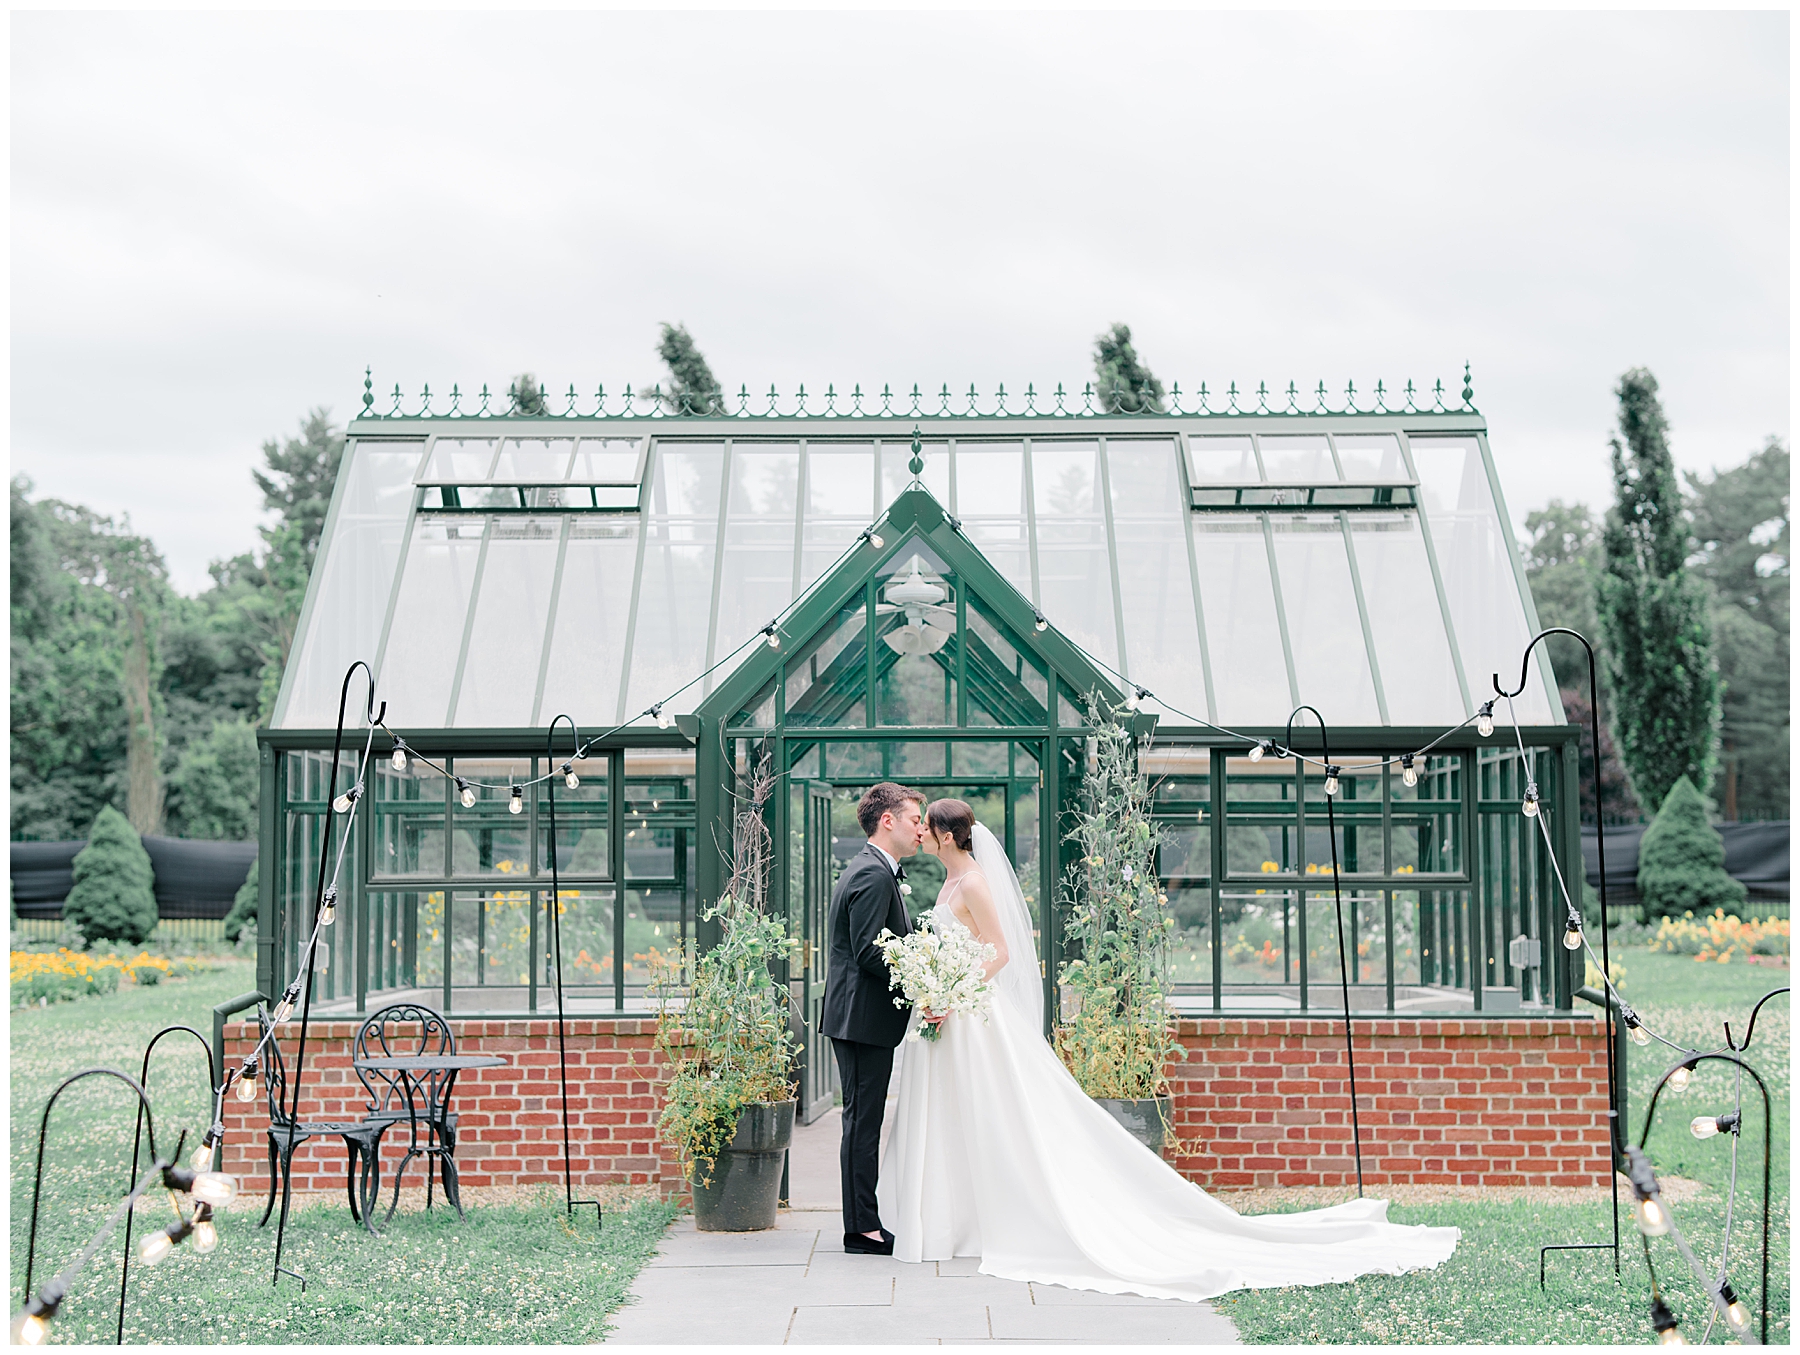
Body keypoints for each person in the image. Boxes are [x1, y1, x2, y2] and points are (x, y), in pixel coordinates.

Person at [877, 797, 1461, 1301]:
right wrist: (939, 985)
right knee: (960, 1118)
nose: (920, 831)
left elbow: (1000, 952)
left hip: (972, 1014)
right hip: (952, 1015)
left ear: (948, 834)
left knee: (1002, 1115)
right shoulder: (950, 882)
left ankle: (998, 1217)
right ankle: (955, 1217)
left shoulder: (975, 881)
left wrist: (954, 988)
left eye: (927, 825)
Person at [819, 782, 925, 1257]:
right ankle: (861, 1228)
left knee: (863, 1121)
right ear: (889, 821)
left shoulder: (876, 870)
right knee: (863, 1123)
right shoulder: (873, 874)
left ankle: (863, 1222)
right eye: (914, 819)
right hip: (860, 1019)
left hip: (860, 1018)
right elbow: (867, 951)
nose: (920, 828)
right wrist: (920, 980)